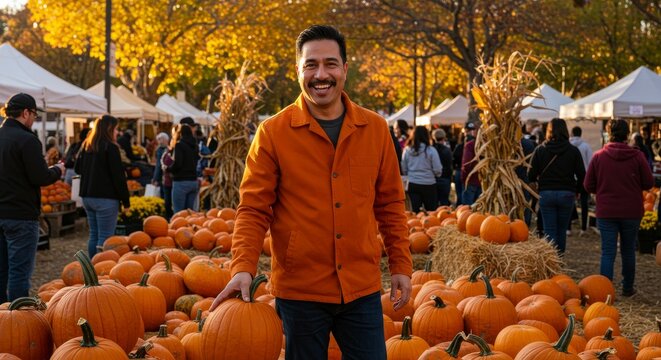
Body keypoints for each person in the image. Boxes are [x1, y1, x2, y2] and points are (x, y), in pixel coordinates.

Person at [209, 25, 412, 359]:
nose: (321, 74)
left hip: (360, 289)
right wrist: (242, 267)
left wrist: (402, 265)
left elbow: (389, 204)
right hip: (300, 292)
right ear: (298, 71)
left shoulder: (374, 129)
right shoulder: (273, 133)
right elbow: (253, 209)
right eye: (311, 65)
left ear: (345, 69)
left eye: (331, 64)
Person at [0, 93, 65, 303]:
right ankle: (17, 320)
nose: (33, 120)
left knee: (1, 271)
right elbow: (40, 177)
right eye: (34, 115)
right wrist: (57, 170)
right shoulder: (28, 140)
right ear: (26, 112)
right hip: (21, 215)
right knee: (19, 272)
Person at [584, 119, 653, 297]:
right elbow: (648, 182)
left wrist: (602, 189)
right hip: (631, 210)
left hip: (606, 211)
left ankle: (605, 291)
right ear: (627, 135)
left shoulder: (599, 156)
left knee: (608, 251)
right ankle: (627, 288)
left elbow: (588, 185)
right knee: (628, 250)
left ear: (608, 133)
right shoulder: (637, 156)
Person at [75, 115, 130, 257]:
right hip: (105, 198)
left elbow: (77, 168)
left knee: (94, 235)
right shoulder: (111, 148)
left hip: (87, 196)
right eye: (116, 129)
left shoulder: (87, 146)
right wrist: (126, 201)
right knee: (106, 237)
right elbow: (118, 177)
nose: (117, 132)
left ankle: (92, 267)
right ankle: (101, 269)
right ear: (109, 129)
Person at [528, 118, 585, 255]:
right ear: (565, 130)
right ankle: (559, 259)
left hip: (546, 193)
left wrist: (536, 190)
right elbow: (582, 175)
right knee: (561, 230)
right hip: (566, 193)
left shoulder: (540, 150)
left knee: (549, 230)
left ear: (549, 131)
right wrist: (577, 190)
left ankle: (551, 262)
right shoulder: (573, 151)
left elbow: (530, 174)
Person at [402, 126, 442, 212]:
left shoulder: (407, 150)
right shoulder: (431, 150)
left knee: (414, 213)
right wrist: (436, 175)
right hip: (429, 184)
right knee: (431, 212)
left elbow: (404, 169)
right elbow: (438, 169)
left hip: (413, 183)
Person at [165, 124, 199, 212]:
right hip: (193, 181)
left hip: (181, 181)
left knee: (178, 213)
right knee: (190, 213)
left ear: (180, 133)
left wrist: (168, 169)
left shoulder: (179, 145)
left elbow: (178, 164)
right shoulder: (195, 146)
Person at [569, 126, 593, 235]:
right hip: (584, 177)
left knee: (570, 201)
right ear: (581, 133)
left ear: (572, 133)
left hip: (571, 176)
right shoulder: (586, 146)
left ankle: (568, 228)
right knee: (584, 203)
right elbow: (590, 163)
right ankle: (583, 228)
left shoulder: (568, 145)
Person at [461, 122, 481, 205]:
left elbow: (466, 164)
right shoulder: (489, 146)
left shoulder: (470, 145)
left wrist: (464, 178)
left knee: (468, 209)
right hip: (483, 181)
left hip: (471, 181)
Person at [431, 128, 453, 206]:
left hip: (433, 178)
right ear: (444, 137)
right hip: (445, 178)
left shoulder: (431, 149)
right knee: (444, 202)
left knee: (434, 202)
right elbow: (450, 163)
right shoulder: (447, 150)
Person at [452, 132, 465, 206]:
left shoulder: (458, 147)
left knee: (459, 192)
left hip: (459, 170)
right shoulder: (474, 146)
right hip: (470, 172)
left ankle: (460, 207)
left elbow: (453, 159)